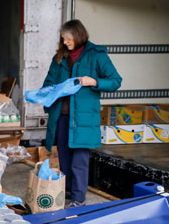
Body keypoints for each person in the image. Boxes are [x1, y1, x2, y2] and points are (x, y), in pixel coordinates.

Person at [42, 19, 122, 208]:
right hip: (61, 116)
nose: (65, 43)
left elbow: (115, 81)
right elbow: (48, 82)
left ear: (78, 36)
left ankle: (79, 198)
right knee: (64, 157)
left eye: (68, 39)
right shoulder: (59, 57)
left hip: (83, 118)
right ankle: (68, 192)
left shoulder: (96, 55)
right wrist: (46, 95)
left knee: (80, 159)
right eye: (63, 39)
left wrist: (94, 81)